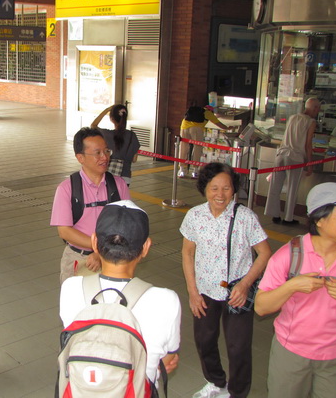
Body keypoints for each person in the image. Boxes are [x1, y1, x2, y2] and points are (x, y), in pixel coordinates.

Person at [255, 183, 336, 398]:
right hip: (291, 354)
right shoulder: (289, 255)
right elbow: (261, 307)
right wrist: (292, 286)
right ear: (319, 219)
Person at [60, 200, 182, 390]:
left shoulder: (71, 288)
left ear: (94, 242)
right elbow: (168, 358)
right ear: (146, 247)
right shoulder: (166, 300)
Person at [180, 163, 272, 398]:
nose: (220, 194)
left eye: (226, 188)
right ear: (204, 188)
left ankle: (238, 392)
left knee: (238, 346)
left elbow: (264, 253)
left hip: (237, 293)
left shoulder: (245, 217)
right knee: (204, 340)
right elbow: (188, 253)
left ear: (234, 189)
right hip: (204, 291)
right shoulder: (194, 216)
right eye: (214, 188)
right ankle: (215, 381)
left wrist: (245, 284)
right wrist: (192, 292)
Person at [51, 127, 130, 284]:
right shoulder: (67, 188)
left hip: (113, 258)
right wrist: (99, 249)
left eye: (106, 151)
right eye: (97, 153)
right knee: (76, 300)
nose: (104, 157)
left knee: (110, 299)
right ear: (80, 157)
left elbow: (127, 224)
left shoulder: (119, 185)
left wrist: (102, 253)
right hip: (78, 257)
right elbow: (64, 231)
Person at [264, 97, 320, 225]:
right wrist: (309, 163)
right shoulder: (311, 122)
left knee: (275, 186)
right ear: (315, 108)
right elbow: (308, 144)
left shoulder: (293, 117)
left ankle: (274, 214)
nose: (318, 112)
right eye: (318, 109)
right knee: (292, 188)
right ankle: (288, 218)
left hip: (281, 154)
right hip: (295, 157)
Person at [90, 104, 140, 185]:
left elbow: (93, 126)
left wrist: (106, 110)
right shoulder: (132, 136)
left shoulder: (107, 134)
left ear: (112, 119)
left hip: (109, 176)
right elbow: (134, 159)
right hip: (125, 177)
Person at [178, 105, 230, 178]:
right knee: (197, 148)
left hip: (184, 127)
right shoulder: (208, 113)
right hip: (196, 129)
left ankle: (182, 170)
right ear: (211, 110)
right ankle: (195, 171)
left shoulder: (195, 111)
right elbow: (219, 124)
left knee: (183, 147)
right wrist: (227, 128)